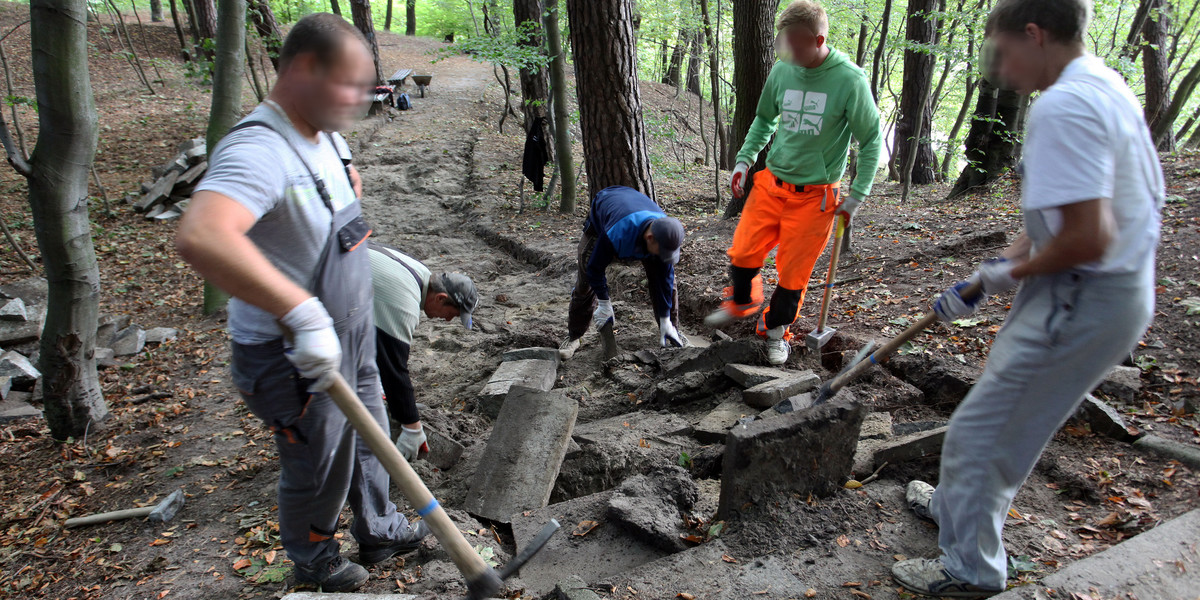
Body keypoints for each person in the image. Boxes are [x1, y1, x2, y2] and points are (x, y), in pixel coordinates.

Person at [891, 0, 1163, 596]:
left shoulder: (1065, 105)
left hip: (1081, 296)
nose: (1003, 70)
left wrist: (1001, 278)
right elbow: (1059, 217)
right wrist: (992, 269)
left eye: (1004, 52)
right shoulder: (1101, 84)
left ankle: (971, 573)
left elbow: (1089, 238)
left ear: (1035, 35)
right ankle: (960, 509)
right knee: (1002, 420)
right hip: (1087, 292)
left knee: (980, 435)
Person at [176, 13, 431, 592]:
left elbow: (346, 191)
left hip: (353, 332)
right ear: (303, 70)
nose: (362, 100)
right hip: (293, 352)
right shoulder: (259, 151)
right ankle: (314, 561)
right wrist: (300, 310)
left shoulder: (326, 135)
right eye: (350, 85)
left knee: (371, 437)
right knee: (317, 463)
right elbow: (202, 235)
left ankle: (379, 526)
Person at [704, 0, 882, 365]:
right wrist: (744, 159)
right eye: (784, 43)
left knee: (793, 275)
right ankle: (743, 300)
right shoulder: (782, 70)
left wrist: (858, 194)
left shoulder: (850, 80)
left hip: (816, 196)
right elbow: (764, 118)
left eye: (797, 46)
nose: (788, 52)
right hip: (772, 183)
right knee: (744, 252)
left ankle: (774, 332)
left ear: (819, 40)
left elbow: (872, 141)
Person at [368, 242, 478, 459]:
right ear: (440, 298)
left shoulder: (420, 273)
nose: (447, 321)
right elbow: (394, 369)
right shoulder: (403, 302)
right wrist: (412, 426)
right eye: (452, 314)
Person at [559, 185, 687, 360]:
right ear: (650, 238)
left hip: (633, 212)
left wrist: (666, 319)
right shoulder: (617, 232)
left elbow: (665, 279)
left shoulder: (665, 233)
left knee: (667, 284)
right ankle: (574, 336)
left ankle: (671, 331)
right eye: (661, 251)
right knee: (585, 284)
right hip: (603, 221)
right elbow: (595, 268)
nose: (662, 256)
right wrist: (604, 303)